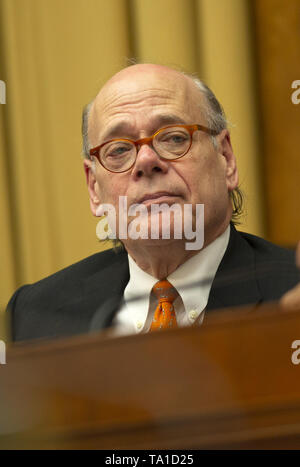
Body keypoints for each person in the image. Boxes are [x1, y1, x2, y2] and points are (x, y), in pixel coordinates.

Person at [6, 64, 300, 342]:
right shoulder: (36, 315)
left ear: (226, 158)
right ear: (94, 188)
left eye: (173, 138)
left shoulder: (291, 295)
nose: (146, 161)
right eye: (119, 149)